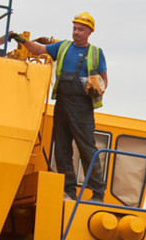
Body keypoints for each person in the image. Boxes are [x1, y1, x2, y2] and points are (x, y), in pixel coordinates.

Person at [9, 13, 108, 202]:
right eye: (74, 28)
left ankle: (97, 194)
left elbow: (104, 80)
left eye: (80, 29)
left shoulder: (96, 53)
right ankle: (69, 191)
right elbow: (39, 49)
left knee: (87, 149)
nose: (76, 32)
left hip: (82, 107)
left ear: (89, 32)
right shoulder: (63, 47)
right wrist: (22, 41)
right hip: (62, 104)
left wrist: (96, 87)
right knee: (62, 149)